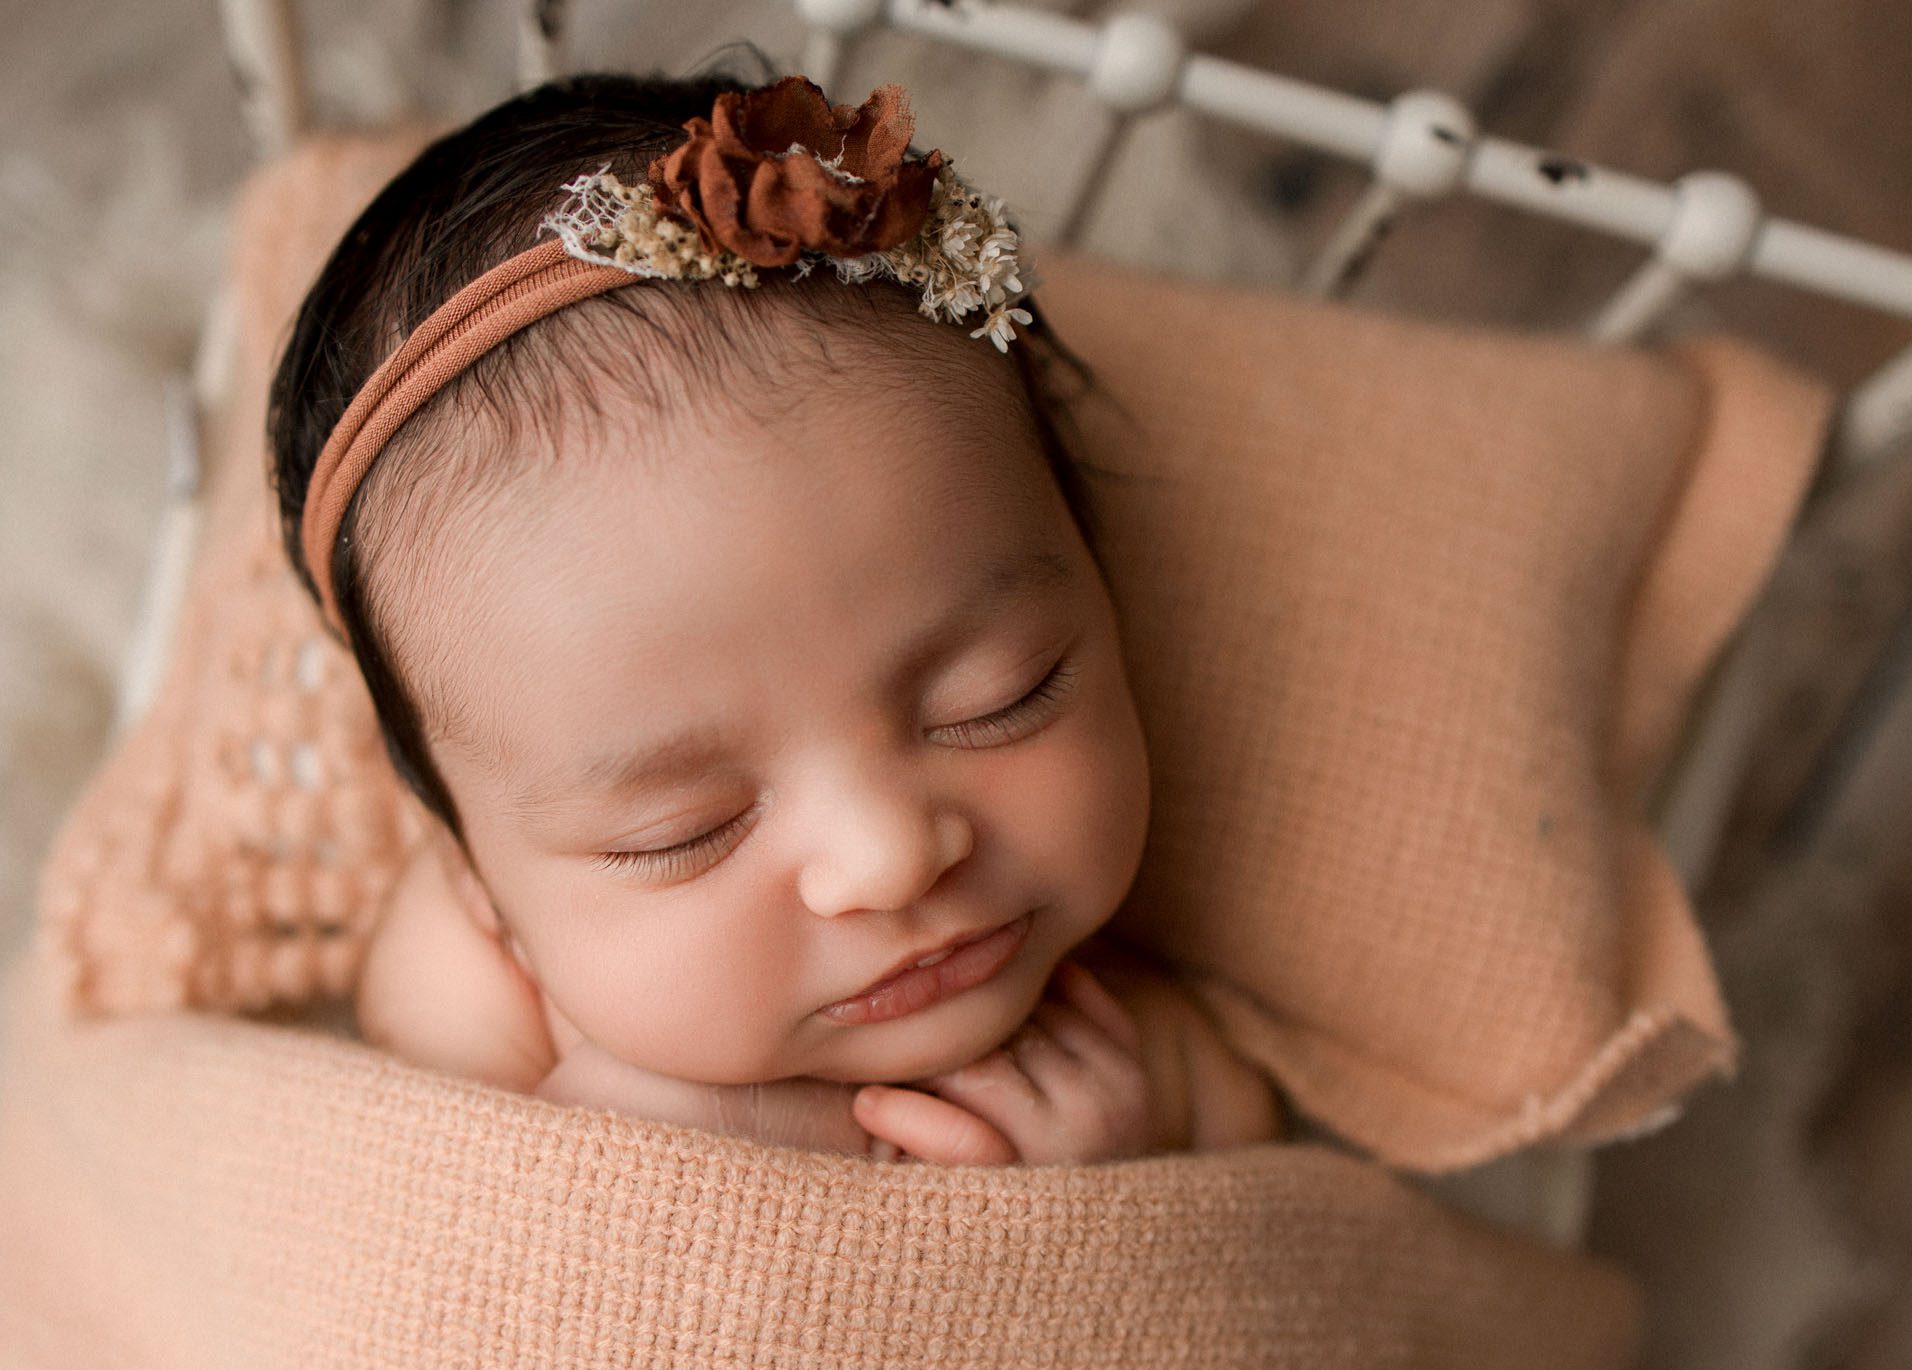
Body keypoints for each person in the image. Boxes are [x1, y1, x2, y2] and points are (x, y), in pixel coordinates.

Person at [269, 63, 1282, 1167]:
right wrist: (584, 1165)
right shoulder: (475, 986)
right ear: (483, 888)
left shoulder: (1114, 1040)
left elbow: (1284, 1230)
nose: (889, 858)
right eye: (685, 831)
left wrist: (1118, 1185)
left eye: (1002, 696)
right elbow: (400, 1236)